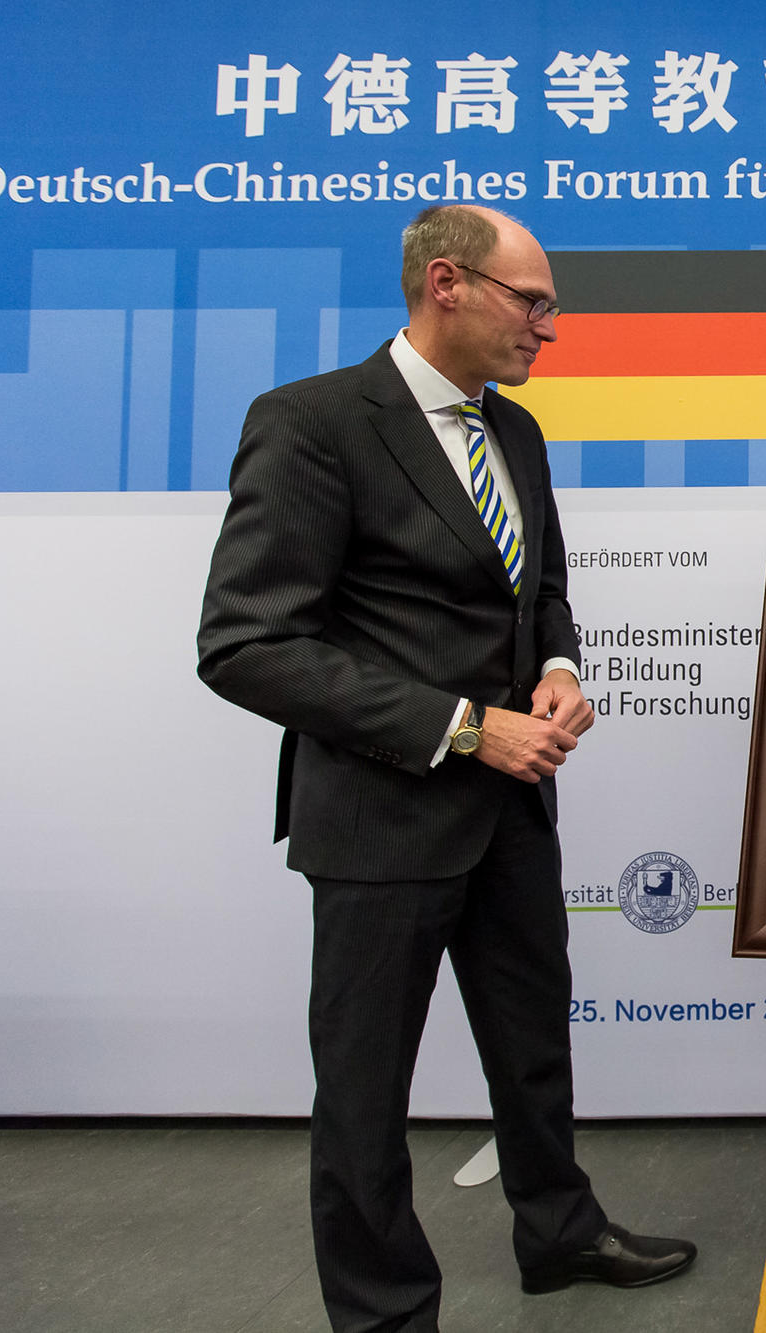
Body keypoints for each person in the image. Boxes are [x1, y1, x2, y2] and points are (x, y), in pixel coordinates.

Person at [198, 204, 695, 1333]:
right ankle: (384, 1310)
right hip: (381, 814)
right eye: (533, 302)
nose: (548, 328)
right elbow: (246, 644)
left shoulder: (514, 431)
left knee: (533, 1043)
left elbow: (541, 590)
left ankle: (558, 1233)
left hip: (512, 809)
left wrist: (559, 666)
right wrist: (469, 727)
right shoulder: (312, 423)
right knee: (365, 1089)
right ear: (446, 284)